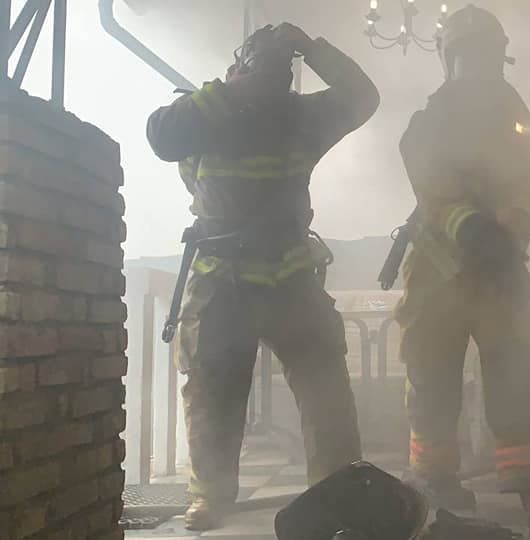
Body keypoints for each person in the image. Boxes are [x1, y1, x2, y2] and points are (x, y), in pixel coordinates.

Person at [146, 22, 379, 531]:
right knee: (212, 386)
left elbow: (364, 98)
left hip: (287, 274)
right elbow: (160, 134)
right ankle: (210, 496)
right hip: (223, 275)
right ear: (241, 71)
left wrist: (312, 48)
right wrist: (238, 88)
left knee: (323, 385)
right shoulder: (208, 112)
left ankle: (339, 492)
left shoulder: (299, 117)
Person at [395, 5, 530, 539]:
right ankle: (436, 482)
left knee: (517, 378)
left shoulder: (517, 118)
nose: (475, 64)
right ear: (449, 58)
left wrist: (511, 225)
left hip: (498, 270)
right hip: (438, 270)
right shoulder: (430, 119)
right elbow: (427, 176)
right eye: (467, 54)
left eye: (484, 53)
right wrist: (468, 224)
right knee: (431, 379)